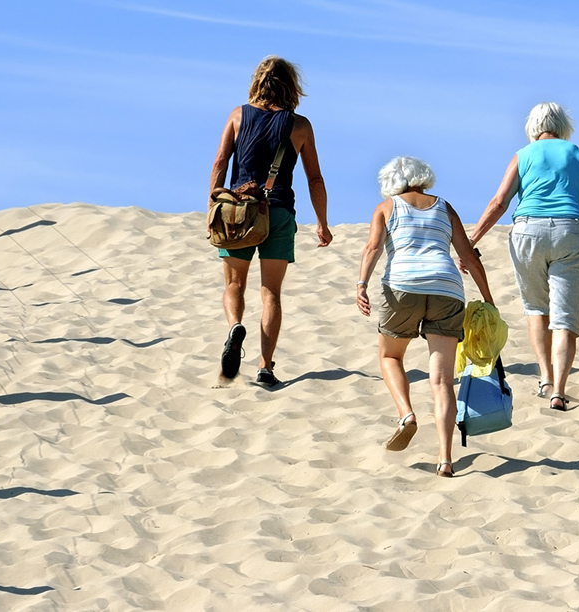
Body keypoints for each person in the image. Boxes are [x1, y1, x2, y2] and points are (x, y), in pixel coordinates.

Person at [469, 103, 579, 412]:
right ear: (563, 126)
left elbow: (499, 202)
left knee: (536, 310)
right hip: (570, 232)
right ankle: (559, 392)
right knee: (565, 320)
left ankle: (546, 378)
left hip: (528, 232)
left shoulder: (523, 155)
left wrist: (471, 240)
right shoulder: (578, 154)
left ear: (533, 128)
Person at [356, 156, 493, 478]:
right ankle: (445, 459)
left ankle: (406, 414)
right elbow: (468, 256)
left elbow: (373, 247)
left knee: (390, 355)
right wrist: (488, 298)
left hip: (403, 285)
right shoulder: (444, 207)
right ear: (423, 176)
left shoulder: (386, 207)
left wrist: (361, 284)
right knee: (443, 381)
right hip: (447, 288)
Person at [209, 56, 332, 388]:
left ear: (258, 82)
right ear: (292, 86)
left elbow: (221, 161)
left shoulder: (238, 115)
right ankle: (265, 367)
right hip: (277, 212)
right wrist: (322, 222)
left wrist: (214, 204)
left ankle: (235, 325)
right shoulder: (300, 125)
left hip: (238, 213)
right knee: (271, 293)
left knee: (234, 286)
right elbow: (315, 180)